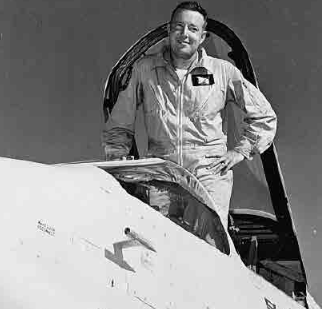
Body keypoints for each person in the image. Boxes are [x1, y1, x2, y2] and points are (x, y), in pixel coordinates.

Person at [102, 1, 277, 226]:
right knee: (159, 243)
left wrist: (241, 151)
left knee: (209, 249)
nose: (185, 34)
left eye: (193, 29)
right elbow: (119, 124)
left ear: (202, 37)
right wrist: (118, 164)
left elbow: (264, 117)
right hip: (162, 174)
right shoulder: (144, 70)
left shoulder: (222, 72)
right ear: (169, 30)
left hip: (208, 175)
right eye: (179, 27)